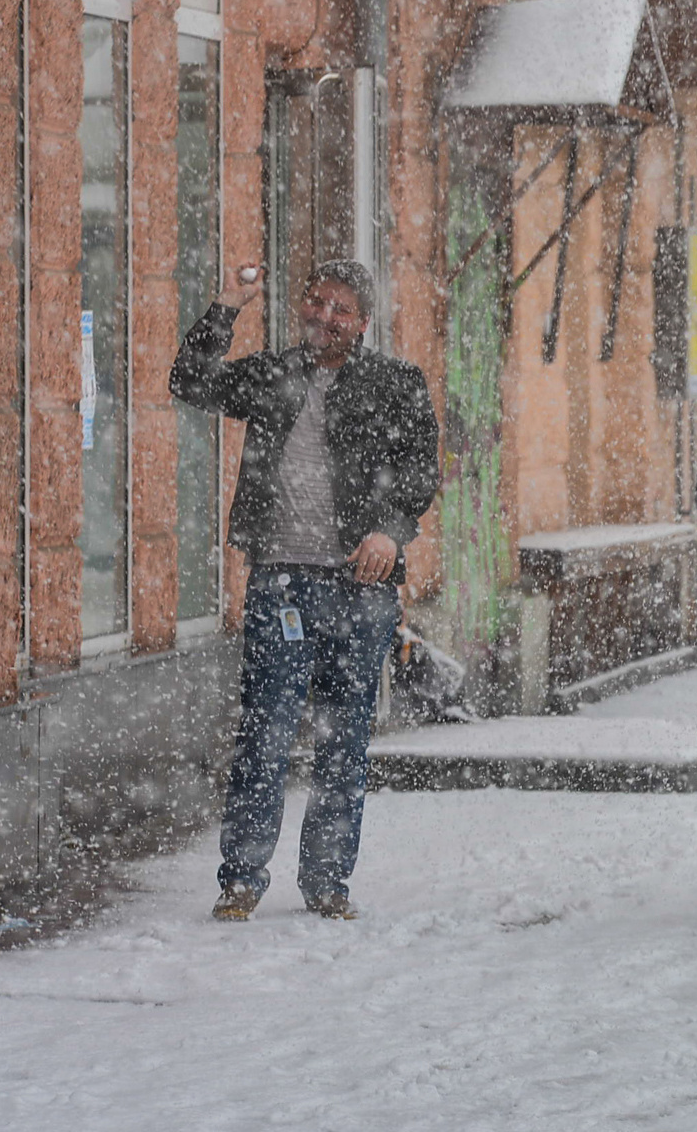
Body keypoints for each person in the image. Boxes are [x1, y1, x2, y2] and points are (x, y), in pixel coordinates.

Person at [171, 259, 439, 922]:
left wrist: (390, 530)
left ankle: (326, 883)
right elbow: (190, 380)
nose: (324, 315)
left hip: (360, 584)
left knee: (343, 738)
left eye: (341, 308)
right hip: (280, 582)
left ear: (363, 322)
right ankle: (240, 879)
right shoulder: (273, 374)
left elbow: (420, 470)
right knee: (265, 732)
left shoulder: (395, 384)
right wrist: (228, 305)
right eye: (316, 301)